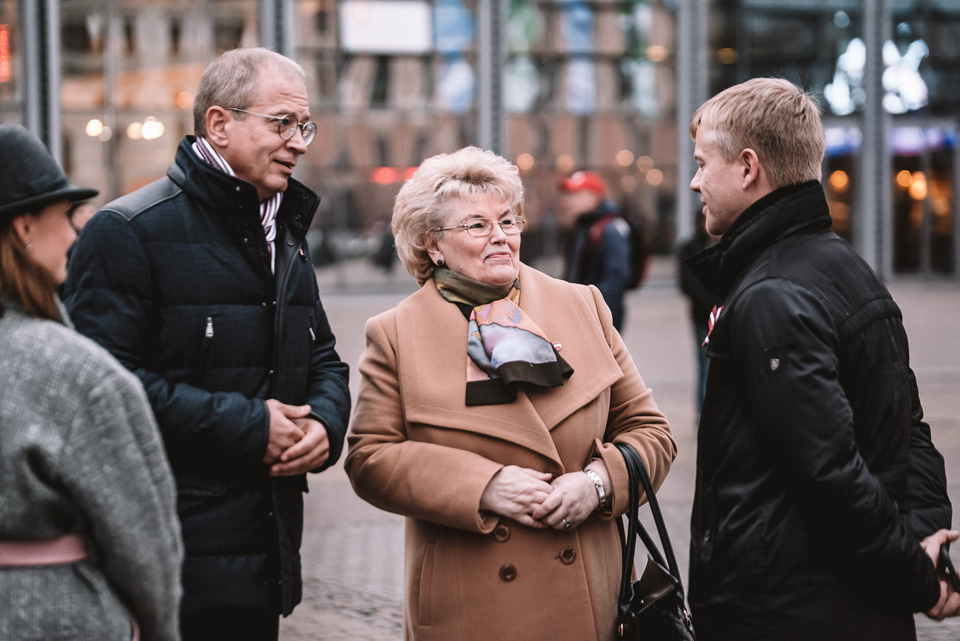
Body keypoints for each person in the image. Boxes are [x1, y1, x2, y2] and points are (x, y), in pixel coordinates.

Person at [63, 47, 352, 641]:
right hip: (167, 565)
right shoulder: (126, 231)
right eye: (282, 123)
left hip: (265, 560)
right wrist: (252, 426)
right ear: (219, 124)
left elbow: (323, 355)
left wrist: (325, 425)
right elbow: (102, 393)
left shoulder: (284, 231)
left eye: (304, 126)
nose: (298, 143)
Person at [345, 146, 677, 641]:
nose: (500, 235)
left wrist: (597, 484)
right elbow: (370, 458)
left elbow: (651, 432)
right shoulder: (395, 333)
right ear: (433, 245)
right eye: (477, 225)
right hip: (470, 606)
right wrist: (484, 485)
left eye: (507, 220)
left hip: (592, 602)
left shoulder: (583, 305)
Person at [684, 77, 960, 640]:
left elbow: (829, 473)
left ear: (747, 167)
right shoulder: (845, 268)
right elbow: (909, 431)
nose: (694, 182)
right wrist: (923, 539)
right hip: (847, 608)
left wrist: (919, 579)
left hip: (784, 614)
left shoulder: (772, 294)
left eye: (702, 164)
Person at [0, 125, 182, 641]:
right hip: (57, 616)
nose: (73, 235)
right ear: (25, 227)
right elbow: (144, 548)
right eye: (65, 216)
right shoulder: (79, 375)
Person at [557, 170, 633, 330]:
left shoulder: (610, 228)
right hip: (582, 315)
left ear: (594, 196)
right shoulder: (584, 226)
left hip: (597, 319)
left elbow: (616, 279)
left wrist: (603, 321)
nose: (568, 201)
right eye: (568, 195)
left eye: (575, 194)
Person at [676, 214, 720, 416]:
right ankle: (704, 414)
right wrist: (710, 303)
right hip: (702, 316)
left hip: (723, 314)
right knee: (704, 365)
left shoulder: (726, 245)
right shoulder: (690, 248)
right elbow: (687, 284)